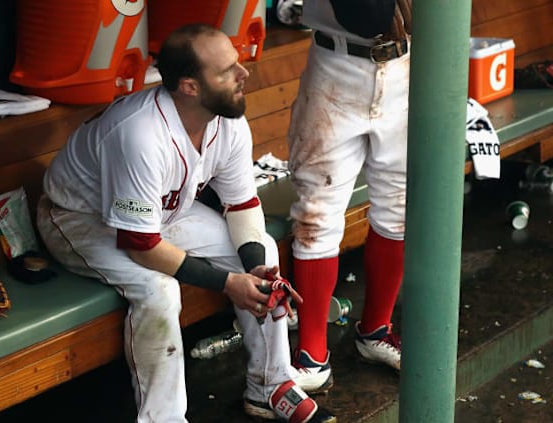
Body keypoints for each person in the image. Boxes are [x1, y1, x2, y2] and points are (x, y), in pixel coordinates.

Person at [37, 23, 335, 423]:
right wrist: (230, 284)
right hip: (78, 218)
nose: (243, 72)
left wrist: (252, 269)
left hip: (159, 212)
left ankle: (270, 384)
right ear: (190, 87)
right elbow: (139, 244)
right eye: (227, 69)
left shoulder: (225, 119)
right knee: (158, 289)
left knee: (260, 248)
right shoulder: (141, 134)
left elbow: (241, 205)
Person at [287, 0, 410, 394]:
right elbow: (367, 15)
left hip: (405, 66)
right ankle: (311, 354)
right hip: (336, 65)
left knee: (399, 207)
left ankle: (375, 330)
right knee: (316, 215)